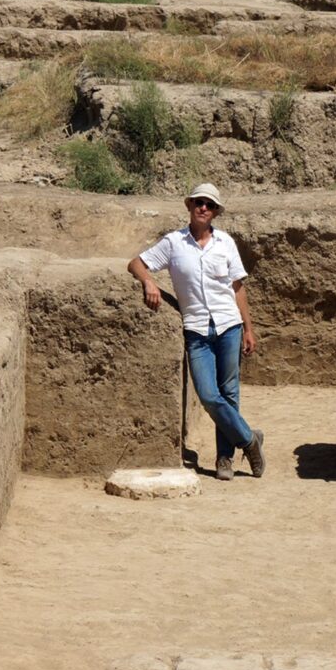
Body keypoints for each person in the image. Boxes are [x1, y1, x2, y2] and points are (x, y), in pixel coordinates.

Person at [127, 183, 265, 481]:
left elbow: (237, 288)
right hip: (196, 329)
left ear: (215, 212)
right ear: (190, 205)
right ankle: (249, 439)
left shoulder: (225, 243)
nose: (204, 208)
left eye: (210, 205)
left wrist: (248, 328)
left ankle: (225, 458)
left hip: (228, 325)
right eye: (199, 202)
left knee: (229, 393)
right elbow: (136, 263)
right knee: (208, 395)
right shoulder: (173, 243)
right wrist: (149, 282)